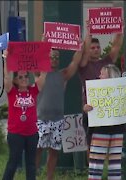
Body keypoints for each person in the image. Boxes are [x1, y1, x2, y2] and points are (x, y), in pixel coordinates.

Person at [83, 64, 126, 180]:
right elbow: (87, 107)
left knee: (115, 164)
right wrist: (86, 108)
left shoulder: (122, 90)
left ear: (110, 76)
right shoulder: (95, 90)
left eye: (102, 74)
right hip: (100, 129)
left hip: (116, 129)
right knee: (96, 163)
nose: (99, 76)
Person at [35, 47, 83, 180]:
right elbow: (38, 56)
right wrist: (44, 41)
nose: (54, 59)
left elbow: (75, 62)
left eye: (57, 57)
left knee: (54, 151)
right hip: (41, 119)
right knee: (37, 150)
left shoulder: (63, 75)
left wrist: (80, 46)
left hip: (57, 120)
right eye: (51, 57)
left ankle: (49, 178)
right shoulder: (40, 73)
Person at [79, 22, 124, 159]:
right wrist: (89, 32)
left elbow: (116, 47)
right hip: (90, 108)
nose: (96, 49)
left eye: (98, 47)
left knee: (110, 140)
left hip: (107, 108)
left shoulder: (106, 63)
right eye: (92, 47)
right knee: (90, 140)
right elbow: (84, 52)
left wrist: (120, 29)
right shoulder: (84, 65)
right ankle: (89, 166)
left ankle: (109, 163)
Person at [1, 50, 47, 180]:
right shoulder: (12, 92)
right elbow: (6, 77)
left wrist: (44, 54)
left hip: (32, 133)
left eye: (26, 76)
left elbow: (43, 75)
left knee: (31, 164)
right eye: (20, 77)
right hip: (16, 134)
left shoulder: (33, 90)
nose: (24, 79)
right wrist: (6, 59)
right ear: (15, 79)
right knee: (13, 162)